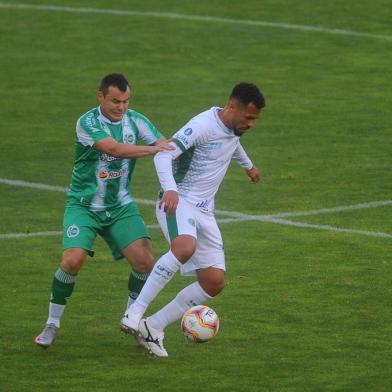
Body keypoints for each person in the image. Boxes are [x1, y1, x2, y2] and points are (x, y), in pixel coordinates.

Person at [120, 82, 266, 357]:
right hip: (178, 201)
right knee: (184, 249)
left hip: (205, 210)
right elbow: (164, 154)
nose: (252, 124)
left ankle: (153, 326)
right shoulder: (201, 126)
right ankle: (135, 312)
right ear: (232, 107)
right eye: (249, 117)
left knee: (214, 282)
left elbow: (231, 144)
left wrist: (249, 166)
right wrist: (172, 189)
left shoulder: (234, 127)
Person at [35, 73, 173, 348]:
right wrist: (152, 148)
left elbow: (165, 145)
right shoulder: (86, 122)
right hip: (84, 206)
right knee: (72, 261)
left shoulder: (136, 120)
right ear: (100, 97)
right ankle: (52, 323)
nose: (121, 107)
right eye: (115, 101)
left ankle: (133, 320)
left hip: (120, 206)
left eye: (125, 101)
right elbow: (113, 148)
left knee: (145, 261)